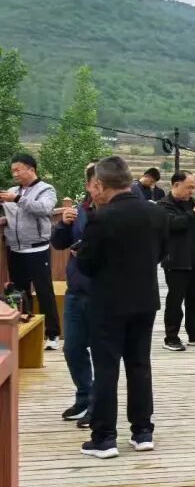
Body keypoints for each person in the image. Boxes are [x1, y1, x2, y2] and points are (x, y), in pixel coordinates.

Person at [75, 156, 168, 458]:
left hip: (108, 303)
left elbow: (86, 265)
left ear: (101, 184)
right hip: (144, 299)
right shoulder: (156, 213)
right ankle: (143, 432)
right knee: (139, 365)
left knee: (107, 368)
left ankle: (104, 437)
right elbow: (161, 253)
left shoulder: (101, 218)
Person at [50, 165, 97, 427]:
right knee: (72, 348)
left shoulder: (113, 212)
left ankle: (97, 405)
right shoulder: (80, 210)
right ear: (88, 184)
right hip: (76, 290)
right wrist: (63, 225)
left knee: (101, 351)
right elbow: (59, 244)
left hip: (102, 292)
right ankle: (84, 396)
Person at [1, 153, 61, 349]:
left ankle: (52, 335)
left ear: (31, 169)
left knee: (44, 292)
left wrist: (18, 199)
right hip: (14, 250)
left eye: (18, 170)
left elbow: (43, 209)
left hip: (38, 249)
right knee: (19, 294)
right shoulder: (12, 191)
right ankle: (24, 334)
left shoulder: (46, 189)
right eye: (13, 171)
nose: (14, 174)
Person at [159, 171, 195, 351]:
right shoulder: (163, 205)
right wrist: (194, 213)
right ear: (176, 185)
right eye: (189, 187)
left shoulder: (194, 203)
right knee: (175, 301)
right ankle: (171, 337)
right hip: (175, 260)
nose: (192, 191)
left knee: (194, 301)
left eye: (193, 187)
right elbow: (173, 224)